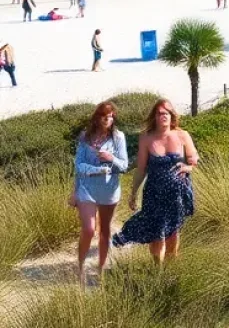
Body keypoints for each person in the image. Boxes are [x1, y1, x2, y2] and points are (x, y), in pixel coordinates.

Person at [113, 98, 198, 262]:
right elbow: (141, 169)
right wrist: (133, 193)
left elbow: (193, 160)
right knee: (156, 234)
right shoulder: (146, 138)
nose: (163, 116)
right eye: (159, 113)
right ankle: (156, 269)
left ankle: (169, 269)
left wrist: (188, 167)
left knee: (173, 233)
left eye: (166, 113)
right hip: (154, 194)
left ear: (172, 115)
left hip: (177, 195)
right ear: (155, 117)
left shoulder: (182, 135)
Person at [74, 101, 128, 283]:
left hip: (109, 190)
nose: (108, 119)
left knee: (105, 230)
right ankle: (80, 266)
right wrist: (95, 171)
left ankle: (101, 268)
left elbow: (124, 166)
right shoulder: (85, 137)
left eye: (111, 116)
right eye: (105, 116)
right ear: (97, 118)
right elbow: (78, 165)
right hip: (87, 189)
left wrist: (111, 158)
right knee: (89, 229)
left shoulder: (118, 137)